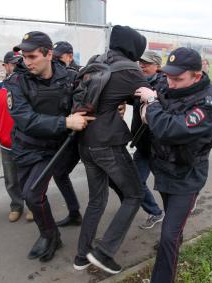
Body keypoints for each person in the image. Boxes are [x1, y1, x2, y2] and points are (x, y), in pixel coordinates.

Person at [135, 47, 212, 283]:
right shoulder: (168, 85)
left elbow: (169, 128)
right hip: (164, 170)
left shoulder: (208, 105)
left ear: (197, 75)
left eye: (177, 78)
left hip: (187, 177)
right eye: (167, 76)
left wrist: (152, 105)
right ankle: (175, 241)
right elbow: (156, 110)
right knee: (172, 232)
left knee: (168, 236)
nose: (170, 83)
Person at [6, 31, 94, 262]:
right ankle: (57, 229)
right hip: (27, 147)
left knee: (33, 195)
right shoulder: (16, 81)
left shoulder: (71, 76)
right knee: (30, 195)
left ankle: (49, 235)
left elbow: (86, 99)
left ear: (48, 54)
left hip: (55, 148)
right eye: (24, 57)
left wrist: (113, 108)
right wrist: (66, 121)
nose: (27, 62)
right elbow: (24, 118)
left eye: (33, 56)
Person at [73, 25, 148, 274]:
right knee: (135, 195)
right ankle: (104, 253)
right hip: (107, 145)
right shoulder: (130, 69)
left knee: (97, 200)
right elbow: (144, 96)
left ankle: (81, 256)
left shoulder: (98, 61)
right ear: (134, 48)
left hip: (85, 141)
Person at [0, 51, 36, 222]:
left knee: (30, 177)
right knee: (12, 179)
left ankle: (32, 207)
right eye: (12, 63)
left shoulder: (31, 85)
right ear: (5, 66)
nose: (15, 66)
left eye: (19, 62)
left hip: (29, 142)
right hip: (7, 144)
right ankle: (16, 206)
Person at [133, 50, 166, 229]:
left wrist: (152, 98)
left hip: (159, 148)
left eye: (146, 63)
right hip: (143, 146)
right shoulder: (139, 82)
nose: (142, 65)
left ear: (157, 66)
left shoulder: (164, 84)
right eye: (140, 62)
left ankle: (187, 199)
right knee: (136, 181)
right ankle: (156, 212)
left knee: (168, 184)